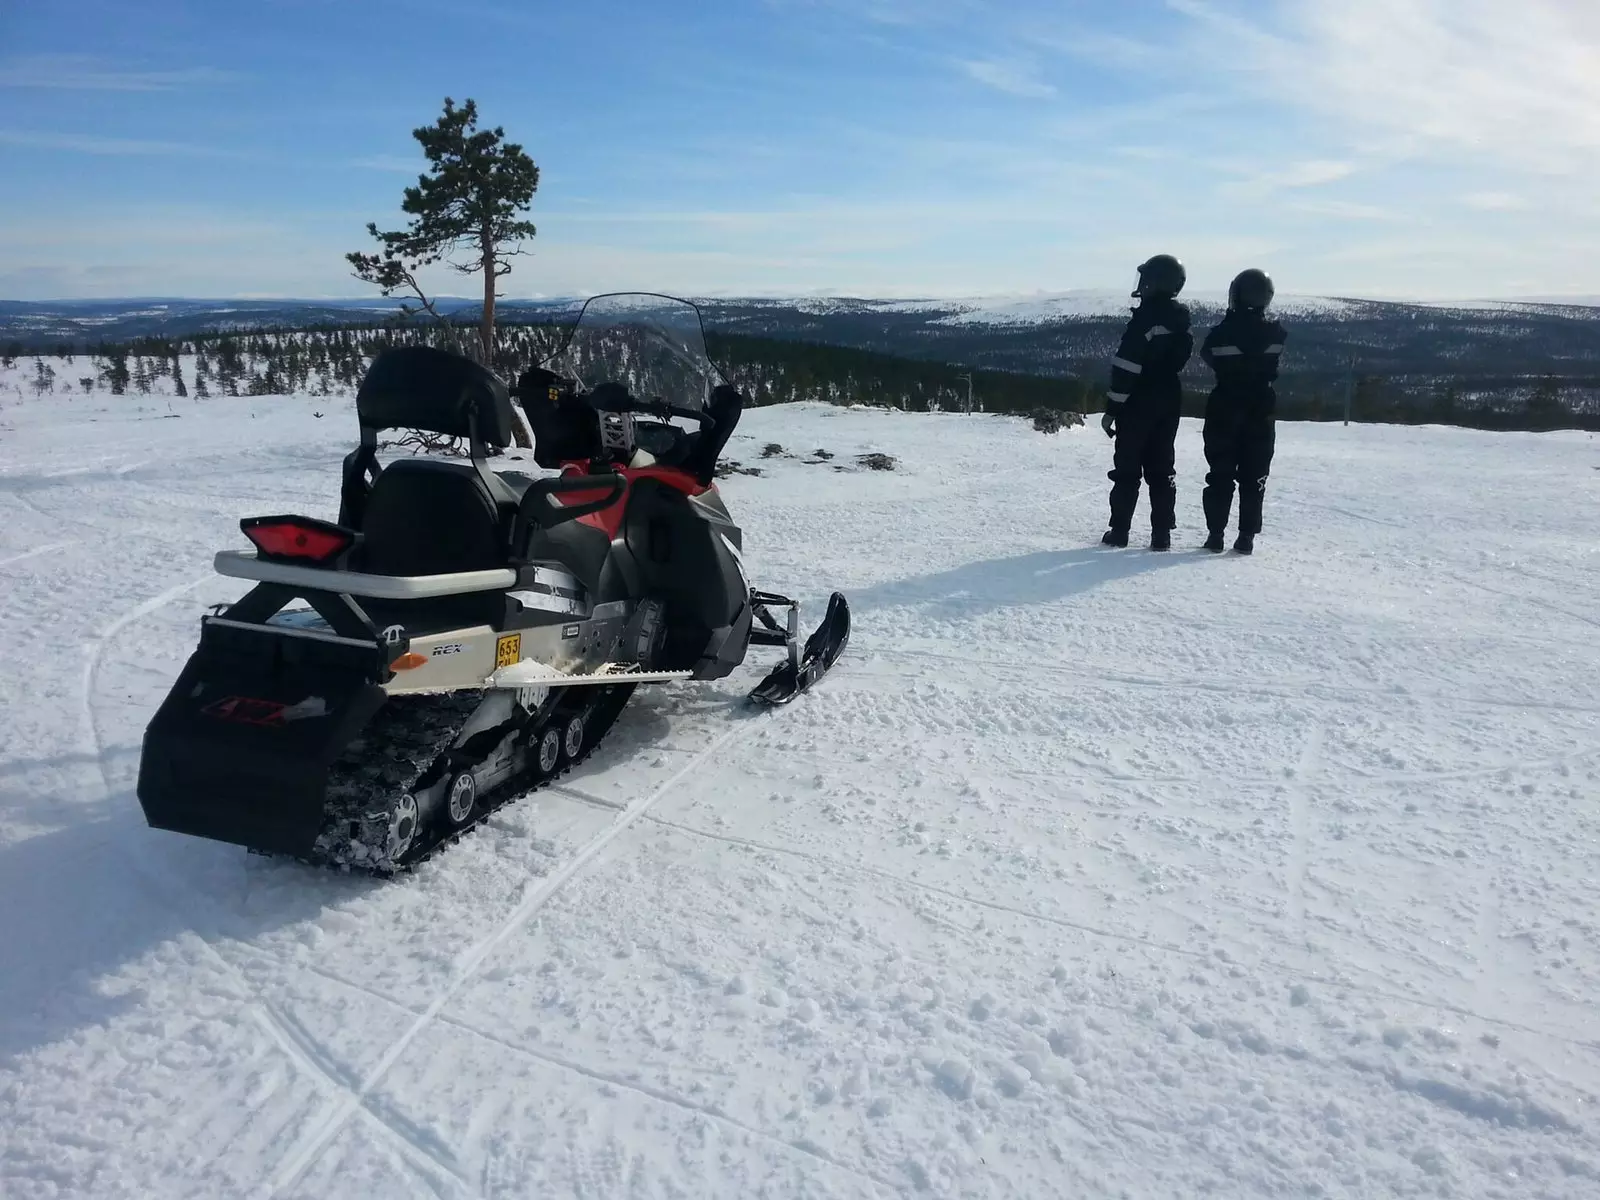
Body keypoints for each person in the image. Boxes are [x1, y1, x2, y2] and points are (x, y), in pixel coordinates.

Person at [1100, 254, 1194, 550]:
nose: (1142, 285)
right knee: (1162, 467)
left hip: (1138, 400)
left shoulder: (1145, 320)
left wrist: (1112, 408)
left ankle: (1119, 531)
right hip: (1169, 398)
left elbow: (1126, 366)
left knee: (1127, 468)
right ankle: (1162, 534)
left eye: (1147, 279)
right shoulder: (1181, 321)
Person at [1199, 269, 1287, 555]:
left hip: (1225, 405)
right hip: (1262, 407)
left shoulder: (1222, 333)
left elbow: (1208, 354)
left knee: (1220, 473)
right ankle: (1246, 536)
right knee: (1256, 476)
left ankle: (1215, 535)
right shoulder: (1275, 334)